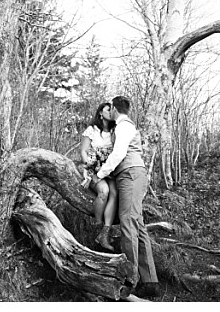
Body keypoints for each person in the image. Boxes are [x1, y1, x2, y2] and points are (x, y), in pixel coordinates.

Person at [95, 95, 160, 298]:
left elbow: (119, 153)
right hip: (133, 174)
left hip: (130, 175)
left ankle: (130, 281)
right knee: (138, 226)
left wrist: (100, 174)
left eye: (110, 108)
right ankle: (150, 282)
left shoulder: (123, 126)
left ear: (114, 108)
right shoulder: (125, 126)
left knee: (128, 224)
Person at [80, 101, 117, 250]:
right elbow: (83, 151)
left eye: (112, 110)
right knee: (104, 191)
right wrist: (91, 167)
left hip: (111, 170)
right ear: (101, 113)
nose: (110, 112)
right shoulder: (92, 130)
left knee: (115, 193)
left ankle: (104, 234)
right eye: (108, 110)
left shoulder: (115, 131)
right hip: (94, 168)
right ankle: (96, 226)